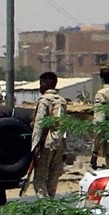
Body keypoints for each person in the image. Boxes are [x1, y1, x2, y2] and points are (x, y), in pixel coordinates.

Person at [30, 71, 69, 199]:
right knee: (52, 180)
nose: (40, 87)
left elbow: (39, 125)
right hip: (59, 144)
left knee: (39, 181)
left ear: (45, 84)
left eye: (41, 84)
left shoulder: (44, 100)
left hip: (46, 144)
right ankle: (51, 207)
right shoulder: (62, 101)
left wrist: (34, 147)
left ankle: (46, 208)